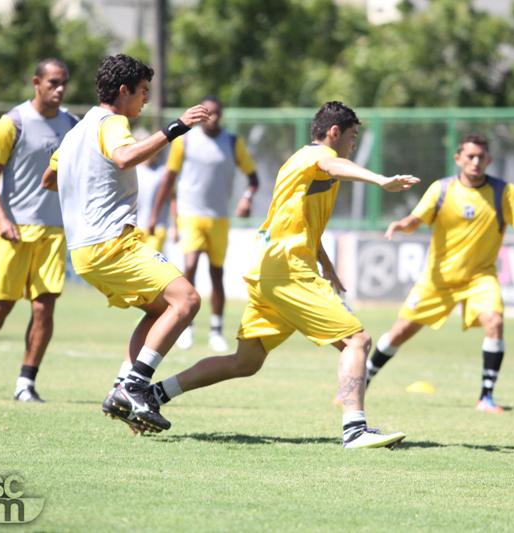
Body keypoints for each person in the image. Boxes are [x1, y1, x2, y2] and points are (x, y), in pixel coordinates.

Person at [146, 101, 417, 449]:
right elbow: (333, 163)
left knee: (246, 362)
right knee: (357, 341)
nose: (353, 144)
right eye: (352, 137)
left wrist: (327, 264)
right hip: (287, 269)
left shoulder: (307, 166)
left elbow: (300, 221)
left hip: (270, 268)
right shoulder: (313, 158)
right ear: (334, 133)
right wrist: (381, 180)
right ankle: (355, 430)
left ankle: (156, 393)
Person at [354, 133, 514, 413]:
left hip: (480, 277)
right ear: (458, 159)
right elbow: (416, 219)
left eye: (481, 157)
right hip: (438, 278)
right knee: (400, 332)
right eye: (470, 156)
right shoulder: (441, 190)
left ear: (489, 159)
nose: (476, 162)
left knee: (494, 323)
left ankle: (486, 397)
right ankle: (359, 384)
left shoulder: (503, 192)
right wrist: (400, 225)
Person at [42, 54, 209, 434]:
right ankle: (135, 387)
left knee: (159, 312)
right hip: (112, 243)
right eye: (143, 92)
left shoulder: (75, 132)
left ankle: (121, 388)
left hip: (83, 251)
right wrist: (176, 127)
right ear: (123, 91)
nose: (145, 100)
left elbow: (48, 180)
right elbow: (123, 157)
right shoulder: (112, 121)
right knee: (187, 300)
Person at [0, 58, 78, 401]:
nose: (60, 89)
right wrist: (1, 219)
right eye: (53, 82)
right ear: (36, 82)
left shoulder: (71, 123)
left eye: (64, 83)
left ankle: (26, 384)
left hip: (54, 231)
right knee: (0, 308)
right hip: (13, 230)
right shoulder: (13, 122)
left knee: (44, 308)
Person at [149, 96, 259, 353]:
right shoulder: (185, 141)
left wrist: (247, 198)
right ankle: (186, 327)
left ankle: (216, 330)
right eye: (209, 113)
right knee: (190, 265)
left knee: (216, 273)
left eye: (218, 113)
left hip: (219, 217)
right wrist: (155, 215)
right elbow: (169, 179)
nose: (214, 117)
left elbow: (253, 179)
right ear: (201, 115)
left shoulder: (232, 143)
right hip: (190, 215)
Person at [136, 152, 173, 253]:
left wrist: (175, 226)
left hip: (158, 227)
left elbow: (173, 198)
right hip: (137, 226)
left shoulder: (164, 172)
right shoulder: (135, 171)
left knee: (154, 262)